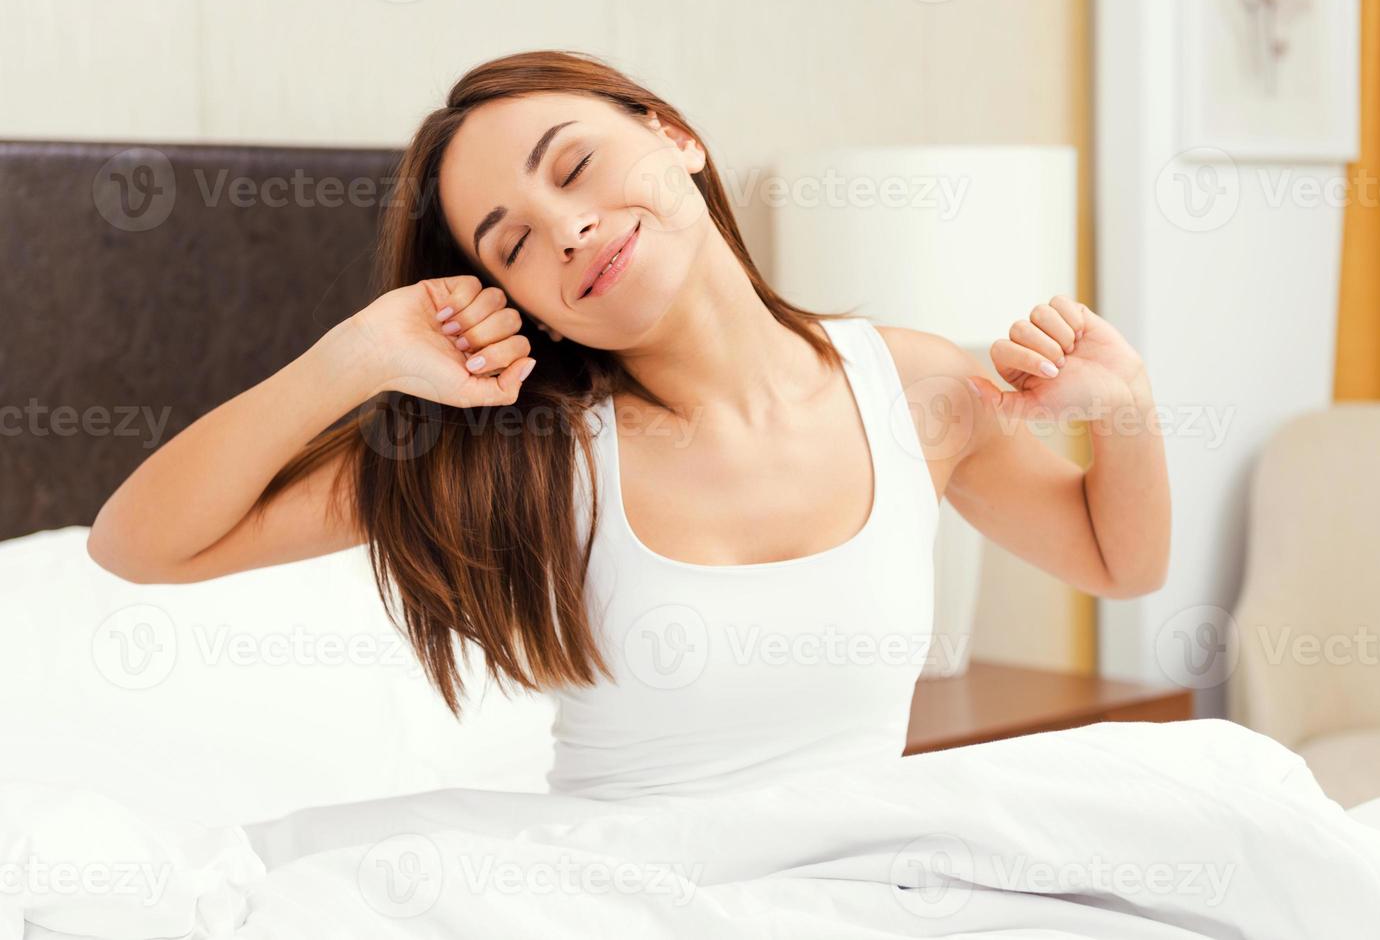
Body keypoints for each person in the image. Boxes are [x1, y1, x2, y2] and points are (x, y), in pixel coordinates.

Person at [88, 50, 1169, 802]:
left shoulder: (912, 386)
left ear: (676, 136)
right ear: (524, 302)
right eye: (510, 245)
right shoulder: (524, 457)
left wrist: (1123, 406)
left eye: (574, 166)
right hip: (627, 896)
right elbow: (135, 544)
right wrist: (353, 356)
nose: (566, 228)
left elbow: (1118, 560)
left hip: (855, 884)